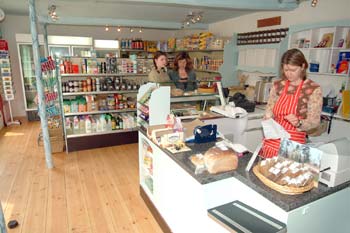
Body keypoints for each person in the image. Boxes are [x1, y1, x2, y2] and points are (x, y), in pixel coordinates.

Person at [260, 48, 323, 158]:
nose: (289, 74)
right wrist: (268, 116)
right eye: (286, 70)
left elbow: (314, 122)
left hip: (294, 145)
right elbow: (270, 108)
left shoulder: (312, 89)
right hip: (273, 141)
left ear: (303, 66)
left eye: (293, 70)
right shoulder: (277, 86)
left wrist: (299, 123)